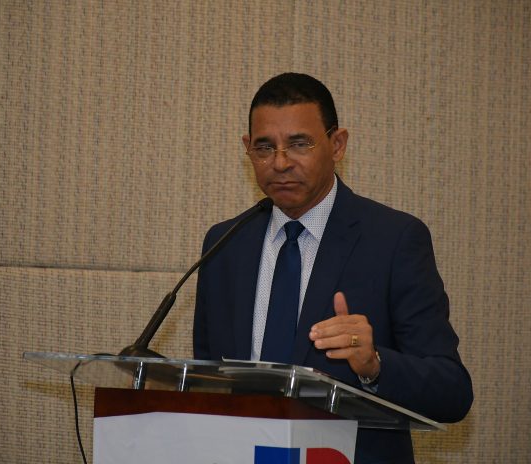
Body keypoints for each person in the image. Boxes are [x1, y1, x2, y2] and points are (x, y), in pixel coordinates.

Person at [193, 73, 472, 463]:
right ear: (247, 149)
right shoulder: (225, 244)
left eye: (299, 144)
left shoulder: (393, 240)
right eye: (264, 147)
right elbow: (208, 381)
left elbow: (452, 392)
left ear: (337, 144)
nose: (280, 163)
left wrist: (374, 366)